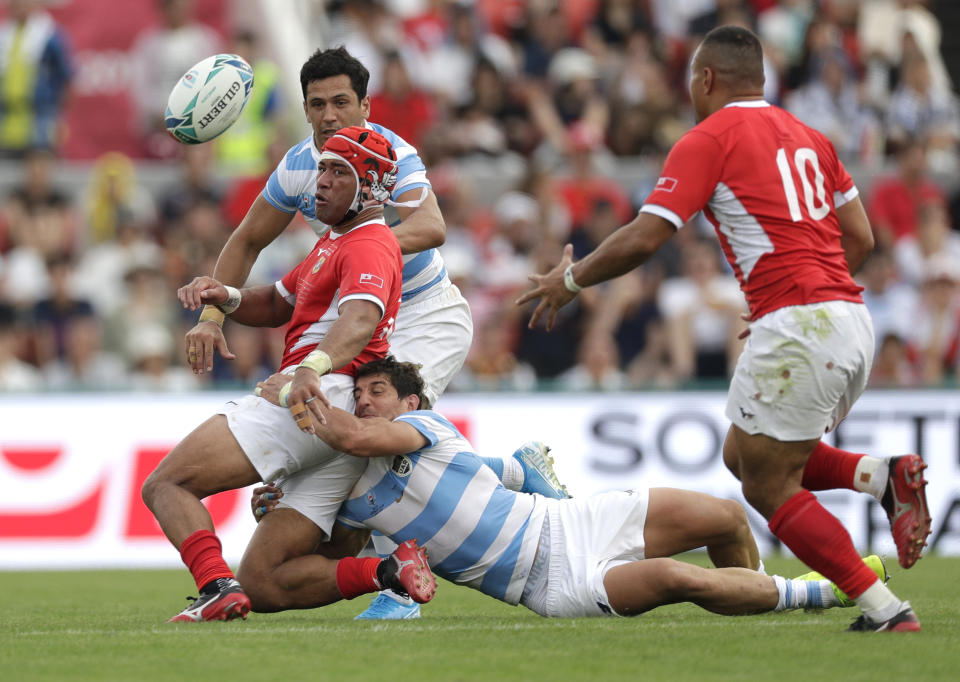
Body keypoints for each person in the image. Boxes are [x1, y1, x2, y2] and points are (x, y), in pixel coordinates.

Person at [517, 26, 930, 633]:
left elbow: (647, 235)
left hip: (799, 323)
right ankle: (881, 476)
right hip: (851, 317)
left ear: (706, 79)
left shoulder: (707, 138)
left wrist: (571, 281)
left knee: (767, 487)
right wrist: (802, 297)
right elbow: (862, 239)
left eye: (691, 80)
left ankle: (884, 608)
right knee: (743, 453)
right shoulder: (813, 137)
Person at [180, 45, 474, 620]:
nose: (330, 115)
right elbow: (244, 242)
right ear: (306, 109)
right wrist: (212, 315)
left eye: (342, 102)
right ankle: (376, 561)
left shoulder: (391, 153)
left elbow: (432, 224)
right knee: (343, 431)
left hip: (423, 312)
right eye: (318, 104)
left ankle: (407, 584)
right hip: (360, 314)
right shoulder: (299, 167)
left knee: (379, 426)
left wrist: (363, 244)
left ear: (365, 105)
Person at [247, 356, 885, 619]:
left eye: (374, 391)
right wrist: (275, 505)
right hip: (548, 584)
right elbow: (336, 559)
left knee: (723, 516)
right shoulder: (348, 493)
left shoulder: (422, 427)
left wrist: (297, 393)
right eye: (354, 395)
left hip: (569, 523)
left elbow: (356, 438)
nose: (361, 402)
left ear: (411, 400)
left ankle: (752, 611)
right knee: (675, 580)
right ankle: (820, 595)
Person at [142, 127, 411, 623]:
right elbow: (279, 302)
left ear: (369, 186)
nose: (320, 182)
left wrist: (308, 370)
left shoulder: (369, 243)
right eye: (321, 169)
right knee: (263, 583)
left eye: (337, 172)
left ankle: (214, 586)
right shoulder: (336, 241)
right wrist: (228, 296)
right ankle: (389, 572)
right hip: (333, 414)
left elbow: (359, 321)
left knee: (166, 484)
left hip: (313, 395)